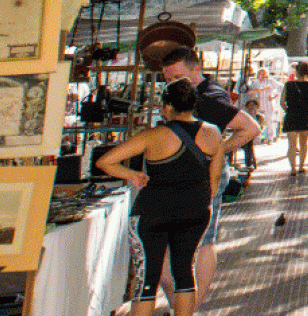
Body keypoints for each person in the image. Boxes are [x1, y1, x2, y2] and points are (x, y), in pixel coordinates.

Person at [95, 80, 226, 316]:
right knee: (185, 273)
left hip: (153, 210)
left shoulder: (153, 135)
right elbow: (215, 177)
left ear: (166, 106)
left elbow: (105, 162)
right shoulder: (213, 132)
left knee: (147, 279)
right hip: (195, 210)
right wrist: (199, 198)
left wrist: (133, 175)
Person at [156, 48, 260, 308]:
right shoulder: (197, 94)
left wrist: (215, 151)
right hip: (188, 177)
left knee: (204, 242)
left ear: (195, 69)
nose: (173, 83)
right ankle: (186, 308)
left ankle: (191, 307)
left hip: (204, 178)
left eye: (178, 76)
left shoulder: (209, 97)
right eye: (168, 79)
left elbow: (251, 127)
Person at [282, 63, 308, 175]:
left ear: (296, 72)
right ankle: (301, 166)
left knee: (291, 144)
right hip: (304, 115)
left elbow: (282, 102)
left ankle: (292, 169)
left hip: (291, 114)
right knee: (304, 143)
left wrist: (288, 110)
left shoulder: (288, 85)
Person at [247, 69, 283, 145]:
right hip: (259, 103)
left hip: (268, 102)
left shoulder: (271, 81)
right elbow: (251, 91)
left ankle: (270, 138)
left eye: (264, 74)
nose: (262, 75)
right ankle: (258, 137)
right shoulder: (256, 82)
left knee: (269, 121)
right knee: (258, 121)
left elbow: (280, 88)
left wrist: (274, 95)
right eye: (261, 73)